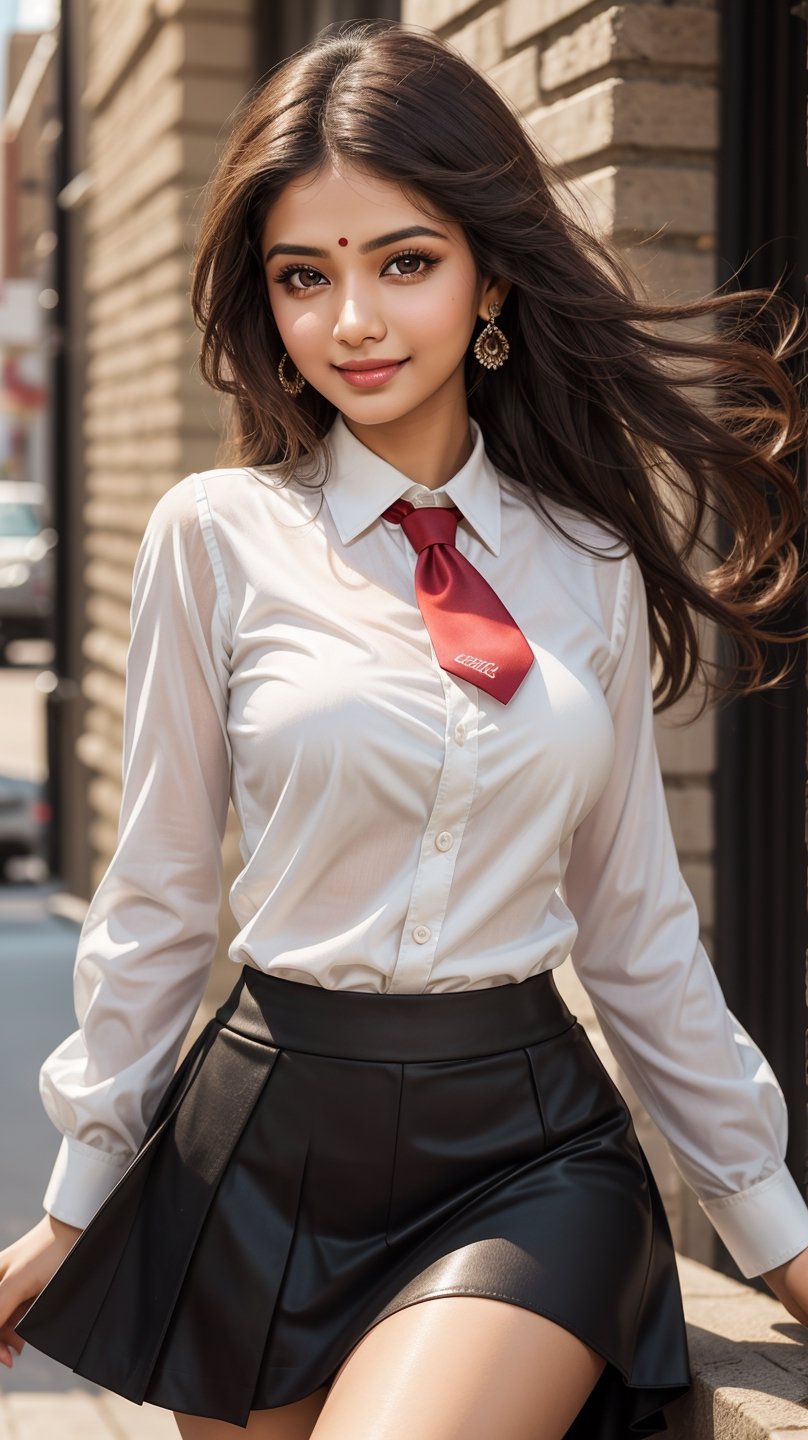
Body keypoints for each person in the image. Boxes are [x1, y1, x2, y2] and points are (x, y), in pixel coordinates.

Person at [2, 17, 808, 1440]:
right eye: (303, 277)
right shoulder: (220, 536)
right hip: (258, 1144)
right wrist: (77, 1199)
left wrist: (773, 1225)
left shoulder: (589, 563)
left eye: (404, 261)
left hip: (526, 1150)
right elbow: (161, 899)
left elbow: (635, 924)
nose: (353, 321)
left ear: (491, 271)